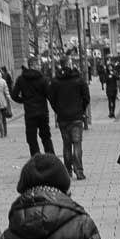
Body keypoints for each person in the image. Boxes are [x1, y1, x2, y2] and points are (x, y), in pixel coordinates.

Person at [49, 51, 91, 179]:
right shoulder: (78, 80)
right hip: (76, 117)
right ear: (70, 64)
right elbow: (86, 97)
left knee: (66, 144)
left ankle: (67, 172)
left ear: (61, 65)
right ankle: (79, 171)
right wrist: (81, 108)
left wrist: (58, 110)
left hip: (63, 117)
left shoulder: (56, 81)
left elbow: (51, 98)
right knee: (77, 143)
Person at [12, 56, 54, 155]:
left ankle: (36, 159)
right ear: (33, 65)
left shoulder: (21, 79)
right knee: (46, 137)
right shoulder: (42, 78)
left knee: (32, 139)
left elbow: (14, 95)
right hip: (42, 112)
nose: (39, 66)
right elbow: (49, 95)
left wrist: (24, 100)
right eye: (38, 64)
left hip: (30, 112)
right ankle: (51, 159)